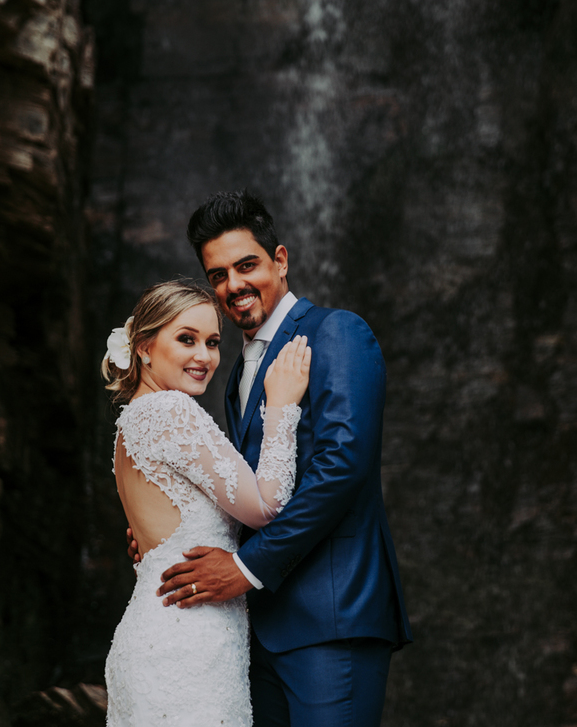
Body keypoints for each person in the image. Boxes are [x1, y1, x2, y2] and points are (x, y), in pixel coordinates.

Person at [150, 192, 413, 727]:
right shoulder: (231, 371)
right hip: (256, 627)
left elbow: (342, 465)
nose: (234, 285)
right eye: (217, 274)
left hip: (330, 619)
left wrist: (246, 569)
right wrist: (169, 524)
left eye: (247, 265)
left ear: (281, 260)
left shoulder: (337, 331)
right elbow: (247, 488)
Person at [101, 279, 313, 727]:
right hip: (188, 643)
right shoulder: (170, 412)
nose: (204, 357)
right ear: (143, 346)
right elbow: (265, 506)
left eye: (214, 342)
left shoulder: (130, 423)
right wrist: (282, 405)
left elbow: (159, 542)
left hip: (157, 632)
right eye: (187, 339)